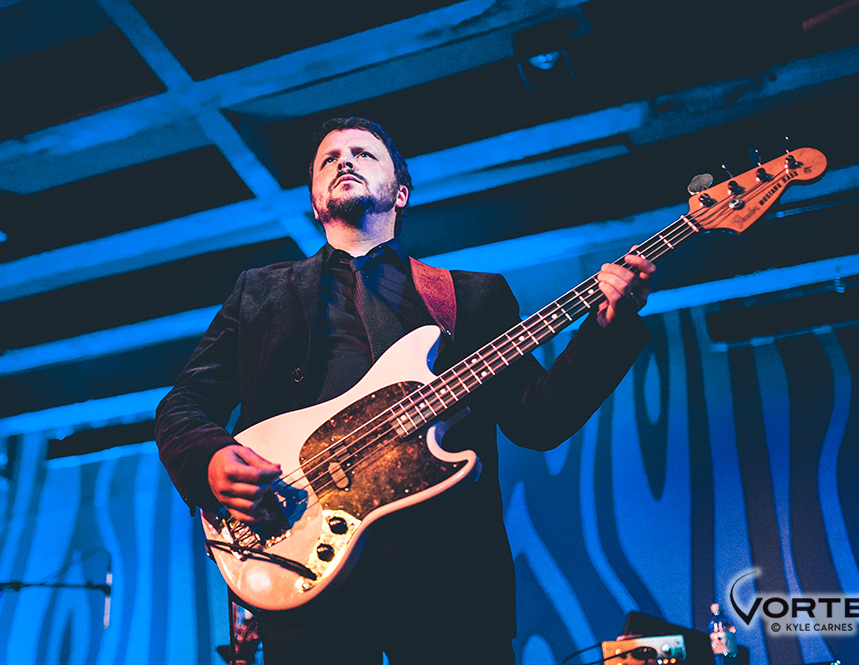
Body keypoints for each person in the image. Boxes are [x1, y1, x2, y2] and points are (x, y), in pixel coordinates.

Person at [156, 117, 655, 664]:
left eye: (364, 154)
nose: (344, 161)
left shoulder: (472, 296)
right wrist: (210, 460)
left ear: (400, 192)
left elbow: (538, 420)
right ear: (316, 201)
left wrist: (607, 331)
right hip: (301, 555)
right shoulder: (260, 292)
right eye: (329, 158)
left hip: (449, 570)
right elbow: (183, 404)